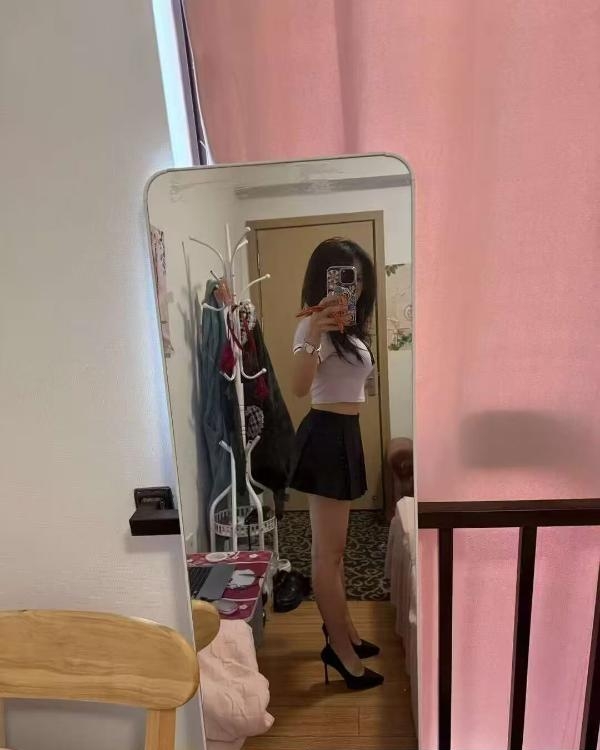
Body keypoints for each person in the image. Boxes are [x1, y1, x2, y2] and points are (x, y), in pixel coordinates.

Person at [289, 237, 384, 691]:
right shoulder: (312, 327)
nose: (354, 287)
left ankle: (347, 632)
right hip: (325, 437)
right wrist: (313, 334)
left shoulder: (351, 329)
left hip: (346, 434)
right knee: (326, 555)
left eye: (359, 278)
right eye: (345, 277)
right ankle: (340, 651)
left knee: (338, 551)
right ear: (323, 279)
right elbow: (298, 388)